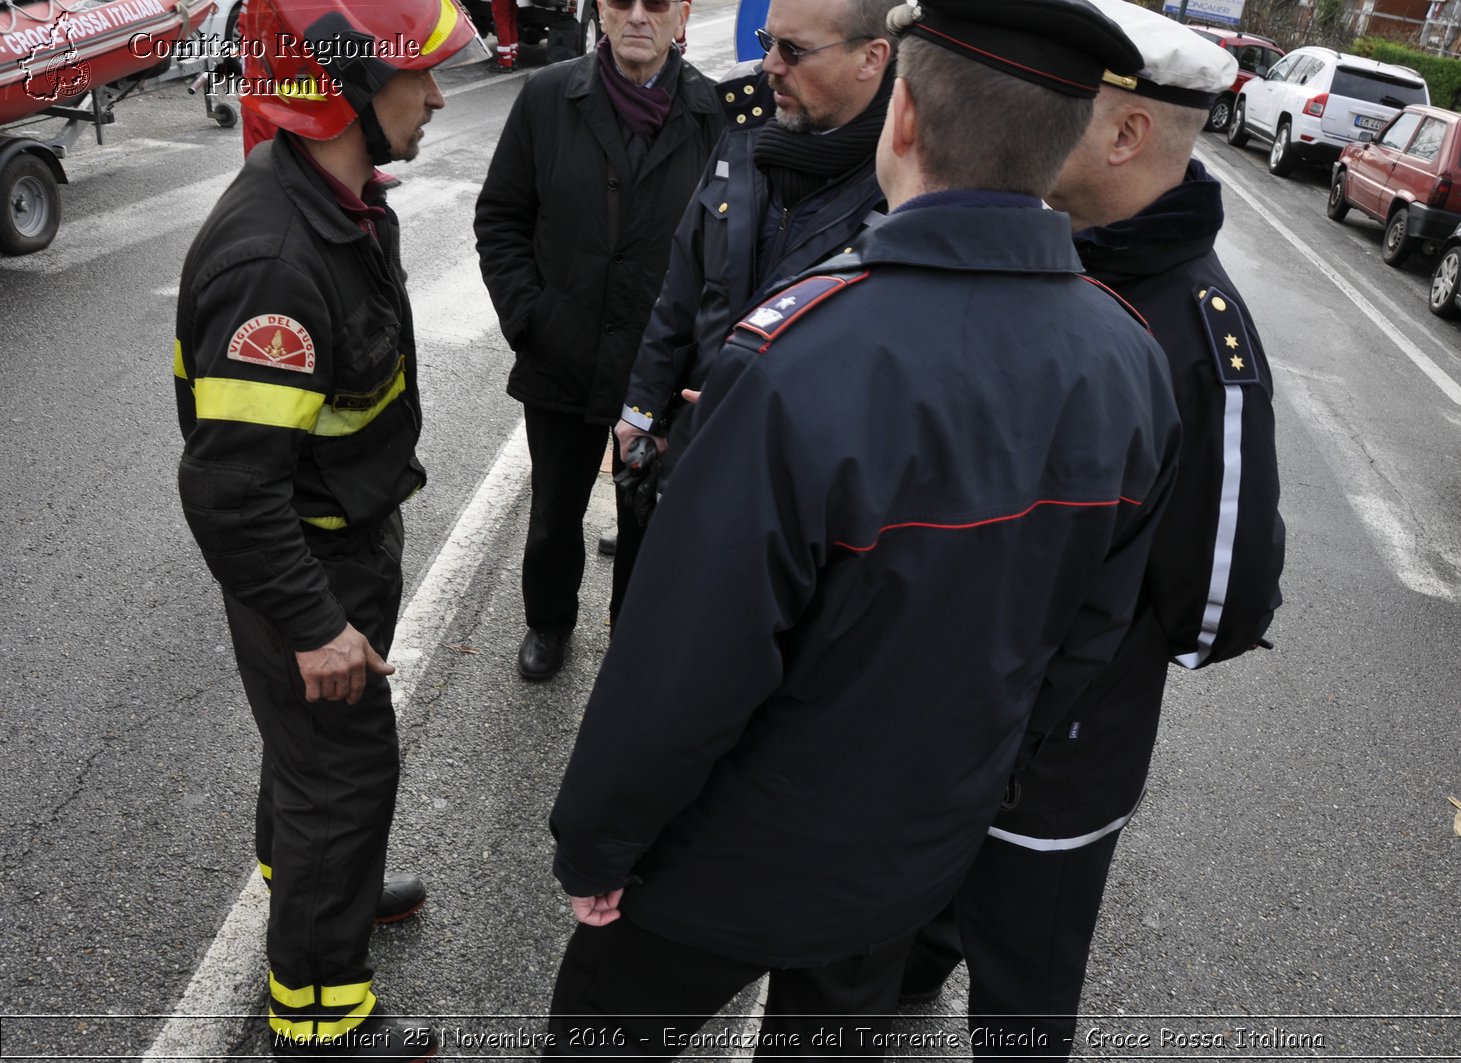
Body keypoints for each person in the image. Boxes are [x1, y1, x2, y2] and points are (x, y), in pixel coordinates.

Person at [543, 0, 1181, 1055]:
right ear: (1066, 142)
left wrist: (598, 843)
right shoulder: (1128, 360)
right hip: (910, 854)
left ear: (903, 118)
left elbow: (684, 665)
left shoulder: (796, 358)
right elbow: (1081, 644)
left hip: (722, 860)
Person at [896, 1, 1286, 1053]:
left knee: (1022, 989)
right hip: (936, 727)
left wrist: (1086, 667)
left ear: (1123, 134)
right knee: (905, 936)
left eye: (1068, 95)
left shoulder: (1197, 337)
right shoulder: (1022, 248)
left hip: (1059, 763)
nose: (1030, 106)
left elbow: (1220, 598)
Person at [172, 1, 483, 1058]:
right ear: (343, 87)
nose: (438, 96)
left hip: (342, 536)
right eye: (419, 76)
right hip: (307, 564)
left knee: (316, 771)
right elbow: (230, 492)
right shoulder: (276, 262)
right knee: (342, 777)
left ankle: (317, 877)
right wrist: (315, 625)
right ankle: (319, 1019)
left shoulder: (336, 200)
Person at [474, 0, 722, 682]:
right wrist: (533, 318)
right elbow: (501, 218)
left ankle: (632, 643)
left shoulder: (714, 114)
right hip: (564, 357)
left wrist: (702, 352)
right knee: (554, 512)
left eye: (657, 2)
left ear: (683, 14)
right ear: (600, 12)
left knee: (647, 516)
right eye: (620, 0)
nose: (638, 15)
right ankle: (549, 621)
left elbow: (731, 247)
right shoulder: (550, 96)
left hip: (661, 371)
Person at [610, 0, 898, 506]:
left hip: (802, 487)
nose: (769, 66)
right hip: (689, 446)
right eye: (768, 43)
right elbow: (684, 286)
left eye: (794, 50)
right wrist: (643, 415)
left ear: (871, 58)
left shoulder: (907, 178)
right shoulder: (745, 129)